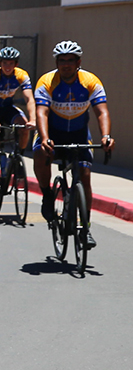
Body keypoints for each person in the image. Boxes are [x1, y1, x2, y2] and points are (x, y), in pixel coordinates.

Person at [32, 40, 114, 248]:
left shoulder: (90, 81)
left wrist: (106, 136)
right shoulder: (47, 81)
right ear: (57, 62)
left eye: (70, 60)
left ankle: (85, 228)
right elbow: (41, 112)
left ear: (78, 62)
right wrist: (44, 138)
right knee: (40, 154)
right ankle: (47, 194)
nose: (66, 64)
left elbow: (102, 111)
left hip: (79, 133)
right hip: (52, 132)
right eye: (61, 60)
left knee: (85, 177)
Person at [0, 46, 36, 177]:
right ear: (0, 63)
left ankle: (18, 157)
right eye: (5, 63)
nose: (8, 66)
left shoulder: (21, 75)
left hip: (8, 107)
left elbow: (29, 98)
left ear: (16, 64)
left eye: (11, 63)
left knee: (23, 127)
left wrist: (33, 119)